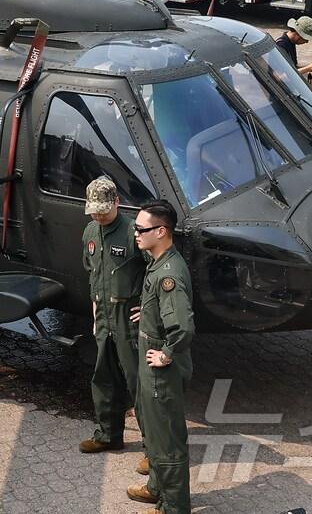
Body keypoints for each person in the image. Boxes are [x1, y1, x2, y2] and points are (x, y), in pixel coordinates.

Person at [126, 201, 195, 514]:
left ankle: (174, 506)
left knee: (167, 437)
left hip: (160, 368)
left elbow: (182, 328)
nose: (136, 233)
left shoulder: (168, 273)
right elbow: (165, 308)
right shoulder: (159, 259)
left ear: (162, 231)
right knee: (153, 430)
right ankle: (157, 488)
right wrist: (150, 312)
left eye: (141, 229)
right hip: (148, 355)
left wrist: (166, 354)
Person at [78, 177, 145, 462]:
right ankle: (108, 435)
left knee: (139, 384)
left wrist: (150, 307)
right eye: (94, 210)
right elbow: (93, 273)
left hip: (129, 319)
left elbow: (156, 271)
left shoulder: (134, 232)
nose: (98, 215)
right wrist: (95, 314)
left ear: (117, 202)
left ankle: (154, 451)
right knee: (104, 379)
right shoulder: (90, 231)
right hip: (104, 318)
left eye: (103, 210)